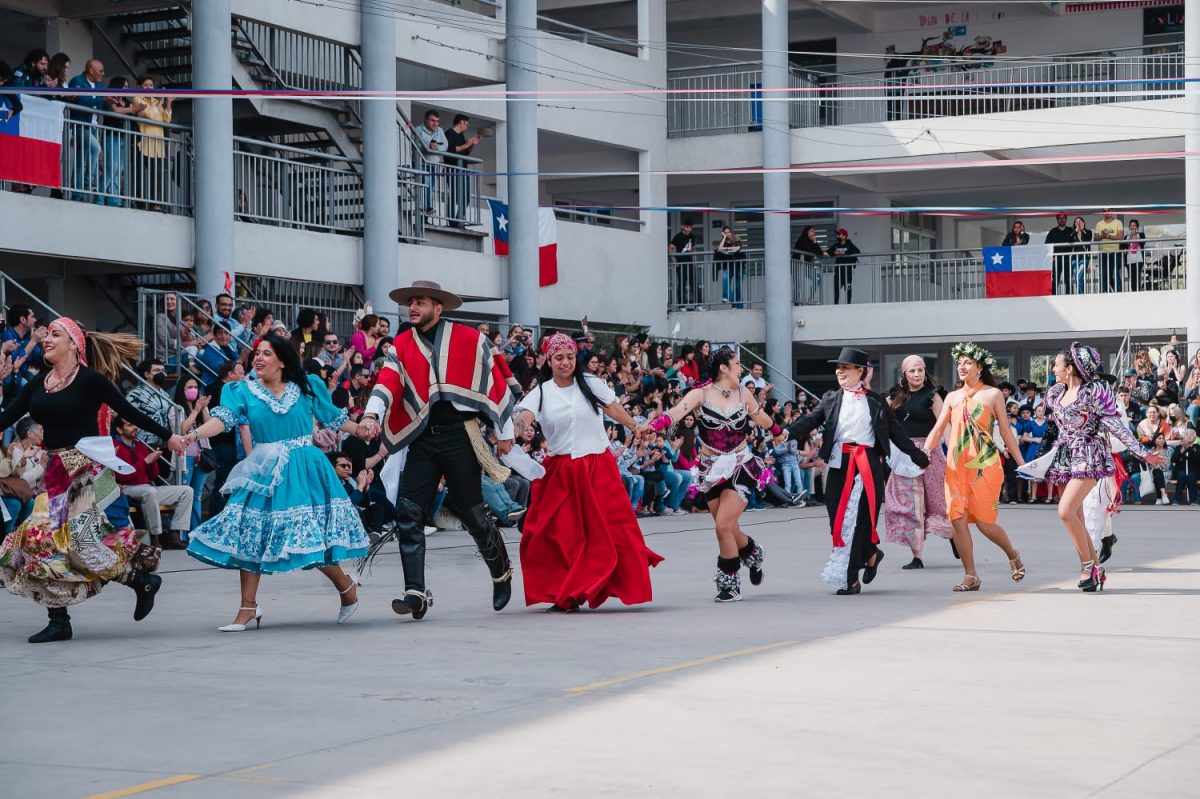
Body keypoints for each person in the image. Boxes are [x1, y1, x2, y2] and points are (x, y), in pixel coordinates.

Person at [0, 318, 187, 644]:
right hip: (53, 468)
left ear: (74, 344)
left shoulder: (90, 381)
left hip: (83, 470)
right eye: (47, 334)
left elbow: (130, 412)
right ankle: (64, 617)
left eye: (56, 334)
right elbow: (6, 417)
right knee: (44, 542)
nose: (47, 338)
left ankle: (138, 581)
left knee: (78, 544)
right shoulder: (37, 384)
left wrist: (169, 436)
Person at [183, 334, 371, 631]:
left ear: (282, 360)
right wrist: (194, 435)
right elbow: (224, 419)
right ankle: (248, 607)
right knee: (249, 531)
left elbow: (333, 419)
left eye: (266, 354)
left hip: (305, 466)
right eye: (256, 353)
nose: (258, 358)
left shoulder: (307, 386)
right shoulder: (241, 390)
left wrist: (361, 430)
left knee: (311, 536)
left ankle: (346, 588)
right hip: (264, 468)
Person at [357, 281, 520, 620]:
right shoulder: (401, 344)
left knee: (472, 511)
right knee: (408, 510)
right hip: (422, 437)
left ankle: (501, 572)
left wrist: (504, 431)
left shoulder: (469, 339)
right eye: (410, 303)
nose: (412, 308)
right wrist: (371, 414)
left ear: (438, 307)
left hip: (461, 434)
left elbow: (496, 379)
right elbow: (387, 381)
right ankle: (415, 592)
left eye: (420, 302)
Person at [513, 334, 662, 612]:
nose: (565, 362)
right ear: (549, 360)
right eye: (559, 357)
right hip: (561, 470)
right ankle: (565, 593)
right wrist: (513, 433)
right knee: (553, 532)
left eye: (570, 356)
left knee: (611, 530)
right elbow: (524, 416)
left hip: (597, 467)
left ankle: (599, 585)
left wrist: (636, 427)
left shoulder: (592, 384)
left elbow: (614, 409)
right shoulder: (542, 392)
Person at [782, 348, 930, 595]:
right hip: (840, 463)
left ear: (860, 371)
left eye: (845, 367)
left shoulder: (875, 400)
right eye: (838, 368)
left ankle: (851, 579)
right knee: (837, 521)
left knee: (860, 521)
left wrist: (918, 456)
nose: (840, 371)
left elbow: (895, 432)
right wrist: (786, 432)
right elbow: (811, 420)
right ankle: (871, 553)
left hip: (867, 464)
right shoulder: (831, 398)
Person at [643, 347, 773, 602]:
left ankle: (730, 583)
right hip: (711, 469)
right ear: (723, 368)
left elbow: (763, 418)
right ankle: (753, 554)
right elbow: (675, 413)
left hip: (741, 465)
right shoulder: (700, 394)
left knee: (723, 524)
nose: (741, 368)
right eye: (737, 364)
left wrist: (780, 431)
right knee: (728, 528)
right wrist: (652, 426)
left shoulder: (743, 392)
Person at [1035, 344, 1163, 592]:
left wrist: (1143, 452)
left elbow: (1117, 427)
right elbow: (1052, 430)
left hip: (1089, 454)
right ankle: (1097, 569)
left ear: (1070, 368)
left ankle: (1087, 566)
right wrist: (1038, 460)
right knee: (1076, 517)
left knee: (1064, 512)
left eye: (1057, 364)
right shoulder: (1055, 392)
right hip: (1064, 456)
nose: (1053, 368)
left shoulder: (1094, 392)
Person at [923, 342, 1026, 592]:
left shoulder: (992, 394)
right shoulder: (952, 397)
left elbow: (1005, 430)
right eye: (960, 362)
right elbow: (938, 430)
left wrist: (1023, 463)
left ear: (980, 367)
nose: (962, 366)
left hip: (985, 465)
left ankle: (1012, 554)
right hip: (956, 466)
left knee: (984, 522)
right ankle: (971, 575)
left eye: (968, 362)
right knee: (957, 519)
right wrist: (925, 452)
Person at [883, 355, 952, 569]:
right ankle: (917, 556)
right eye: (912, 371)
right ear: (904, 374)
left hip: (929, 452)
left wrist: (952, 453)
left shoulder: (933, 395)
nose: (917, 374)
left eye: (920, 370)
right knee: (907, 504)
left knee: (937, 502)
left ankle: (954, 535)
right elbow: (882, 421)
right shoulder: (895, 396)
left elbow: (944, 426)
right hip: (904, 454)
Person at [111, 416, 193, 550]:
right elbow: (122, 476)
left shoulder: (140, 445)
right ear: (119, 430)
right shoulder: (115, 447)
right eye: (129, 425)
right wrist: (145, 462)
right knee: (150, 492)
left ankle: (175, 534)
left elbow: (153, 475)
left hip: (147, 487)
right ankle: (155, 537)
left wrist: (154, 460)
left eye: (134, 425)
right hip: (126, 488)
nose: (134, 428)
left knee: (187, 491)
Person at [66, 59, 106, 203]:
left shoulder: (100, 85)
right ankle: (89, 183)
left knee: (81, 160)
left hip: (93, 127)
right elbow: (81, 101)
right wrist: (102, 100)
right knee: (96, 148)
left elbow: (99, 100)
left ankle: (78, 193)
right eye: (100, 71)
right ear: (91, 70)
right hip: (80, 125)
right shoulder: (77, 81)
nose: (103, 74)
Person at [132, 74, 174, 211]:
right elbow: (149, 114)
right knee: (140, 174)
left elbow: (166, 119)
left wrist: (168, 102)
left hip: (158, 143)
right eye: (146, 85)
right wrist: (161, 103)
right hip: (144, 142)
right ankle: (139, 202)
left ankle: (155, 203)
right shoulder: (137, 98)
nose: (149, 87)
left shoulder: (156, 102)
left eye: (151, 85)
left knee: (157, 174)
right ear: (139, 87)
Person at [444, 114, 481, 227]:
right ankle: (451, 220)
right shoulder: (448, 134)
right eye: (466, 123)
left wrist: (471, 145)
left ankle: (458, 219)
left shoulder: (461, 135)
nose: (467, 126)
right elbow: (451, 150)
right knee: (454, 194)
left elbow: (464, 153)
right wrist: (467, 144)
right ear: (461, 122)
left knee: (466, 196)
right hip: (453, 169)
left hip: (463, 170)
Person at [414, 109, 448, 217]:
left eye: (437, 121)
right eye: (432, 120)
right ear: (425, 120)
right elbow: (414, 146)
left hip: (434, 165)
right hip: (422, 164)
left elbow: (445, 146)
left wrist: (436, 147)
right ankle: (427, 207)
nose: (435, 124)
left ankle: (425, 211)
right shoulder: (418, 130)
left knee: (430, 188)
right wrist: (427, 147)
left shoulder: (440, 130)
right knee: (427, 185)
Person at [825, 228, 861, 305]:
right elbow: (827, 253)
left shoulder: (849, 244)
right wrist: (835, 252)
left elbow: (858, 252)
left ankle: (848, 303)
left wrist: (845, 252)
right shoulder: (835, 245)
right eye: (837, 234)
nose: (837, 235)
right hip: (838, 270)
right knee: (836, 287)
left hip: (847, 271)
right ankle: (836, 304)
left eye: (839, 234)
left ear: (844, 236)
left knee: (848, 287)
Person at [1093, 209, 1124, 293]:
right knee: (1104, 275)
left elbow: (1120, 237)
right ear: (1103, 213)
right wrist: (1103, 235)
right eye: (1105, 210)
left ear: (1112, 211)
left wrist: (1108, 236)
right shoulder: (1099, 224)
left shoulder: (1118, 222)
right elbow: (1095, 238)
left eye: (1109, 210)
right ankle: (1105, 293)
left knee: (1114, 275)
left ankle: (1119, 293)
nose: (1107, 212)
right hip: (1102, 253)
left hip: (1115, 253)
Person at [714, 225, 745, 307]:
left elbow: (737, 248)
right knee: (725, 280)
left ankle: (739, 307)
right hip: (728, 266)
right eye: (725, 233)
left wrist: (727, 250)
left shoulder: (737, 239)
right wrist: (724, 238)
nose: (727, 234)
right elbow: (719, 249)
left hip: (738, 266)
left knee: (738, 288)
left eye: (728, 232)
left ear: (731, 232)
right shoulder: (723, 241)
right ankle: (731, 300)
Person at [669, 220, 697, 308]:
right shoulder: (678, 236)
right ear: (683, 227)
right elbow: (670, 247)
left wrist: (695, 259)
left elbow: (694, 248)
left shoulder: (692, 236)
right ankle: (681, 305)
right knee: (682, 283)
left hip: (690, 262)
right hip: (681, 263)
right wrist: (673, 260)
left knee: (693, 282)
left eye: (690, 227)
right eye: (687, 227)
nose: (688, 229)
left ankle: (698, 304)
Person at [793, 226, 824, 304]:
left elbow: (819, 253)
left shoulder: (812, 242)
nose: (813, 233)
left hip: (807, 265)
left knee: (817, 279)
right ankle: (797, 302)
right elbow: (811, 251)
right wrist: (814, 246)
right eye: (811, 231)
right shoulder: (802, 240)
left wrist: (815, 242)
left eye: (814, 231)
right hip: (797, 264)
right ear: (806, 232)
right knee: (797, 284)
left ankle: (810, 299)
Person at [1044, 213, 1074, 294]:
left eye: (1063, 218)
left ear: (1066, 219)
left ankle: (1069, 296)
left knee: (1068, 278)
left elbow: (1076, 242)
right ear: (1057, 220)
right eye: (1059, 218)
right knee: (1055, 279)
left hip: (1068, 258)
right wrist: (1052, 256)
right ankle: (1054, 296)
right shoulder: (1052, 231)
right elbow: (1047, 245)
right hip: (1056, 259)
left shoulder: (1071, 230)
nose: (1061, 220)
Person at [1068, 216, 1094, 294]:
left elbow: (1089, 238)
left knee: (1079, 275)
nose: (1078, 223)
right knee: (1077, 277)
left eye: (1080, 222)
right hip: (1074, 258)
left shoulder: (1088, 231)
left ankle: (1081, 295)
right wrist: (1075, 231)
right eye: (1076, 222)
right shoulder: (1073, 233)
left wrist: (1082, 230)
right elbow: (1069, 240)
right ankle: (1080, 294)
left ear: (1083, 223)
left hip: (1084, 257)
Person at [1123, 219, 1147, 292]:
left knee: (1137, 277)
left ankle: (1137, 292)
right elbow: (1122, 246)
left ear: (1137, 227)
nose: (1132, 227)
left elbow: (1143, 243)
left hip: (1138, 259)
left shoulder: (1141, 234)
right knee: (1131, 278)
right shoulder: (1127, 236)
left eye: (1134, 225)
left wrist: (1136, 237)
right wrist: (1129, 238)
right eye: (1131, 225)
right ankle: (1133, 292)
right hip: (1129, 260)